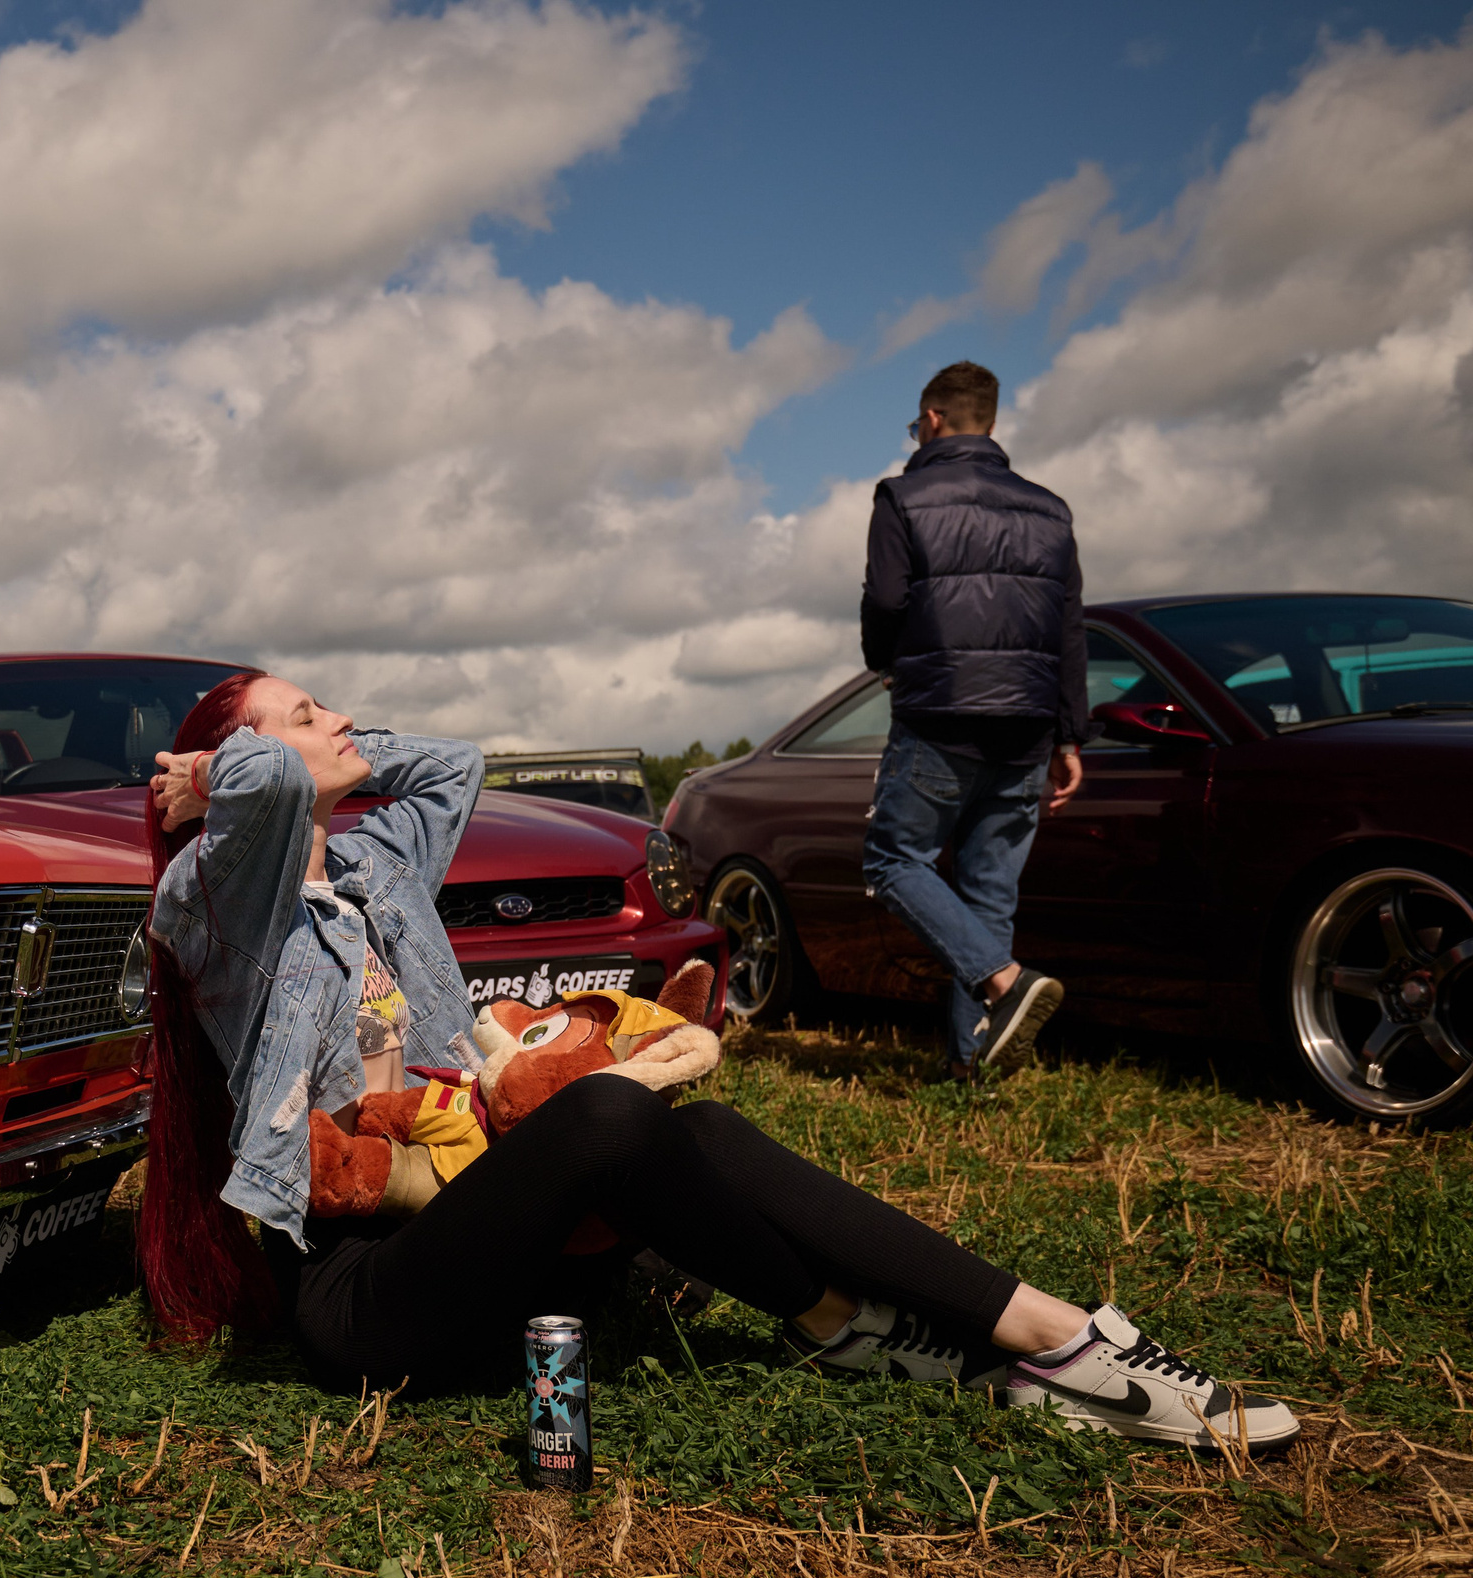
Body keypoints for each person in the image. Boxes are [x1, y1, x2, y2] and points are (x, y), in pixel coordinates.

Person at [138, 670, 1294, 1449]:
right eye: (307, 713)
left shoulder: (374, 862)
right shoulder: (210, 902)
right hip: (376, 1292)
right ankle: (856, 1321)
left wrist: (300, 746)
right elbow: (268, 792)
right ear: (230, 768)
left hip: (492, 1224)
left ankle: (1042, 1332)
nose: (342, 719)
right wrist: (223, 775)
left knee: (699, 1129)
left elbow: (449, 763)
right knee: (606, 1114)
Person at [860, 360, 1086, 1074]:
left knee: (894, 861)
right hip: (1028, 723)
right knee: (989, 893)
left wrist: (884, 660)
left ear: (932, 419)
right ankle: (973, 1067)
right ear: (989, 421)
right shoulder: (1050, 510)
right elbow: (1069, 628)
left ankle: (1006, 982)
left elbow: (886, 600)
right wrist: (1069, 734)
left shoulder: (902, 497)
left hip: (940, 712)